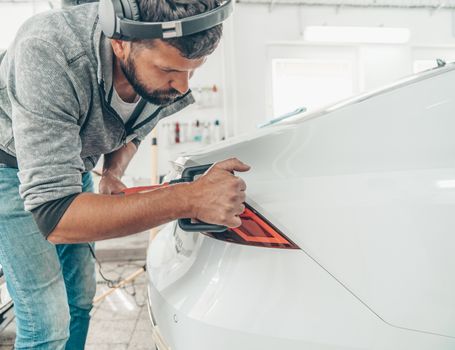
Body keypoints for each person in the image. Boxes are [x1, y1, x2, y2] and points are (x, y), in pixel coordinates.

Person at [0, 0, 249, 348]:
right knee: (47, 319)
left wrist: (112, 171)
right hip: (9, 168)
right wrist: (188, 199)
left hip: (74, 165)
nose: (182, 86)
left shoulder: (160, 68)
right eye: (168, 71)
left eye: (193, 70)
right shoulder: (48, 50)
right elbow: (56, 217)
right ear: (119, 42)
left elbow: (133, 127)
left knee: (79, 299)